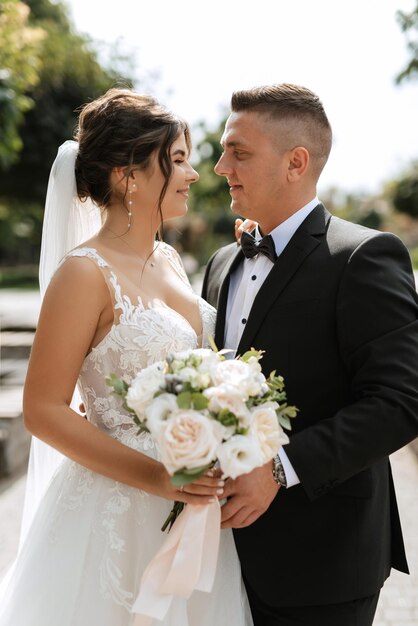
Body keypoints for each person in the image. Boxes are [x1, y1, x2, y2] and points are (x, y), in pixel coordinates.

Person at [0, 88, 253, 626]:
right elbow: (44, 410)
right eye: (178, 160)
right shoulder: (84, 273)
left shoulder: (168, 258)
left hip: (192, 508)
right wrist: (158, 477)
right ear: (128, 176)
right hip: (114, 511)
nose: (193, 174)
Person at [201, 82, 418, 626]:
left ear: (296, 162)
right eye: (224, 150)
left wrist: (278, 468)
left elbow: (401, 401)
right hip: (214, 559)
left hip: (323, 561)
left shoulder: (365, 256)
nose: (221, 165)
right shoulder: (221, 263)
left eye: (239, 152)